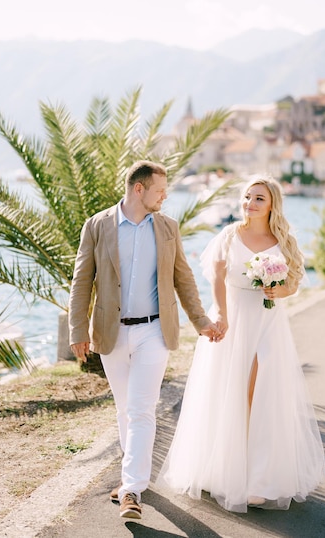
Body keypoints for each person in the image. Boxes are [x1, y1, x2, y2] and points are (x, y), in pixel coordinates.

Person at [157, 174, 325, 512]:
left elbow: (293, 282)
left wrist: (280, 290)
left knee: (262, 392)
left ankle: (261, 477)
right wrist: (221, 314)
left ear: (272, 204)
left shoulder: (284, 239)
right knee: (229, 390)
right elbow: (217, 279)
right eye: (248, 197)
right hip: (233, 317)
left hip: (267, 322)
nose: (250, 203)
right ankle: (223, 469)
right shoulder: (229, 235)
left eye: (259, 198)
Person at [69, 160, 219, 520]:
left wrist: (201, 320)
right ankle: (131, 480)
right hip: (111, 331)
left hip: (154, 330)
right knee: (125, 409)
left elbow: (183, 278)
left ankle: (132, 490)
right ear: (139, 189)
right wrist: (77, 331)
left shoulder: (167, 227)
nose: (165, 196)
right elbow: (81, 281)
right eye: (159, 190)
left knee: (141, 409)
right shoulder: (98, 225)